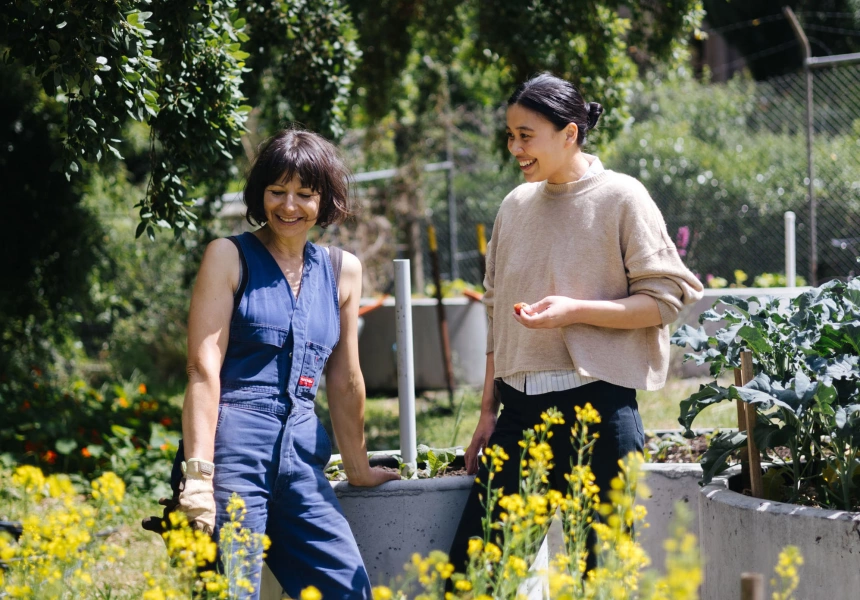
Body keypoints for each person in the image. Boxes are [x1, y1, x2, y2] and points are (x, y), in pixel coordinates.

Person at [447, 73, 704, 573]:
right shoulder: (514, 206)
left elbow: (666, 300)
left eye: (526, 136)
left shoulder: (622, 197)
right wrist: (487, 411)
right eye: (510, 135)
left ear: (570, 133)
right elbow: (497, 312)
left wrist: (575, 312)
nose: (514, 148)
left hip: (600, 414)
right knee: (473, 578)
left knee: (599, 579)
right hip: (519, 417)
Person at [170, 128, 399, 599]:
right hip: (232, 449)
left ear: (325, 200)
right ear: (260, 194)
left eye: (304, 194)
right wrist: (198, 476)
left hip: (302, 453)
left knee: (348, 590)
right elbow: (202, 368)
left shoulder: (342, 270)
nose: (288, 206)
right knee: (232, 593)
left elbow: (345, 377)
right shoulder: (229, 256)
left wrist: (357, 468)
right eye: (277, 192)